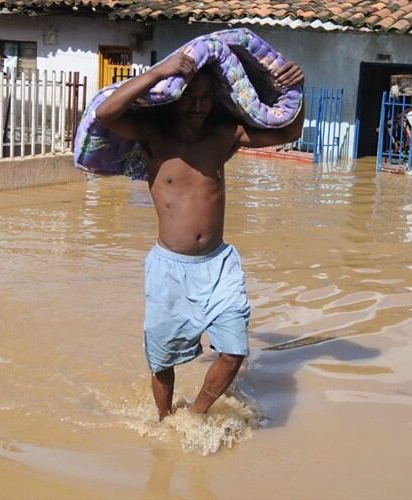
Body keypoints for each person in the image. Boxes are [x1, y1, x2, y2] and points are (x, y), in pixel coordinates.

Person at [95, 51, 304, 420]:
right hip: (169, 271)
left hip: (219, 264)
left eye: (206, 98)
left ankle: (196, 415)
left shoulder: (225, 134)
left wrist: (297, 90)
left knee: (234, 350)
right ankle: (163, 423)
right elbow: (106, 113)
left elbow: (289, 131)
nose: (198, 106)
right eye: (190, 97)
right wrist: (161, 71)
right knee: (162, 360)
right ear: (174, 97)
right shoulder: (153, 135)